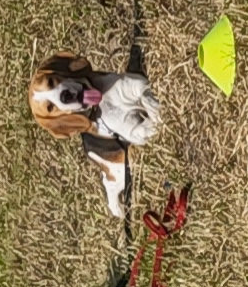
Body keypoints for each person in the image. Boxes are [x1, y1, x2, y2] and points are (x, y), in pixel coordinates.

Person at [30, 48, 161, 217]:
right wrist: (155, 124)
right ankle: (111, 186)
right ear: (59, 118)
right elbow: (141, 135)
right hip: (102, 146)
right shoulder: (95, 126)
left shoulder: (103, 82)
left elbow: (140, 84)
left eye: (51, 82)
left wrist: (153, 104)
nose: (59, 95)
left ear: (60, 72)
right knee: (124, 172)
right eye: (51, 107)